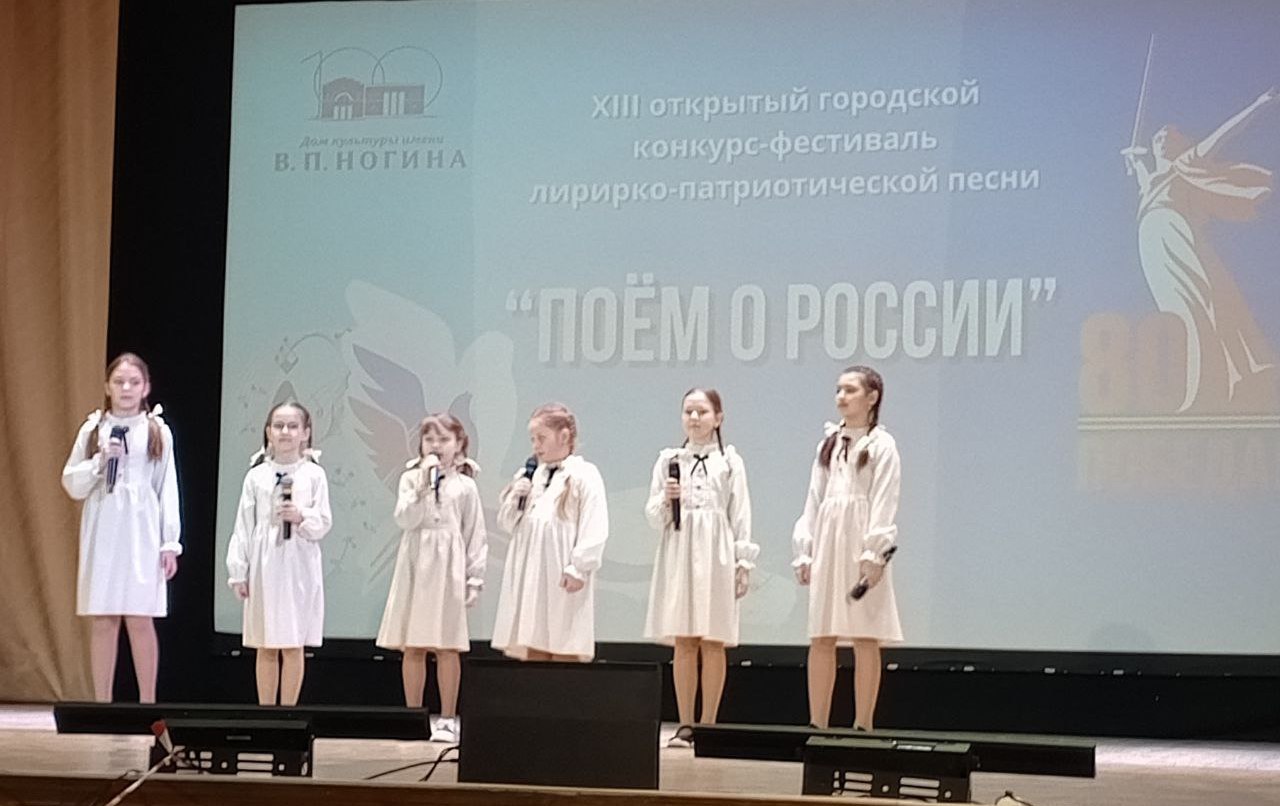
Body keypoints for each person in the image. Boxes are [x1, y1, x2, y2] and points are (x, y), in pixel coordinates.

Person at [1121, 88, 1278, 412]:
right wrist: (1136, 161)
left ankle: (1230, 374)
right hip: (1152, 239)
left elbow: (1224, 133)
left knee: (1205, 297)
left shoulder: (1186, 163)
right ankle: (1199, 382)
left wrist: (1257, 104)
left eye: (1169, 135)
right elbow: (1147, 184)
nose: (1162, 138)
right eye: (1158, 137)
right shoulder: (1152, 179)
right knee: (1177, 307)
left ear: (1181, 143)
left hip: (1176, 229)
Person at [62, 353, 180, 703]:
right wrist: (100, 462)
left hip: (141, 528)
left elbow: (166, 486)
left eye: (134, 382)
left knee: (140, 618)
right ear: (107, 387)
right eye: (119, 382)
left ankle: (147, 703)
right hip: (104, 525)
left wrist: (169, 542)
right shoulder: (93, 430)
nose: (126, 388)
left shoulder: (156, 431)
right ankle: (102, 703)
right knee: (104, 618)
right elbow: (72, 482)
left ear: (146, 388)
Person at [644, 388, 756, 748]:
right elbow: (653, 517)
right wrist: (667, 499)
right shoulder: (669, 460)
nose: (694, 418)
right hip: (680, 548)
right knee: (684, 639)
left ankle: (710, 725)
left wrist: (742, 562)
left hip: (716, 551)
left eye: (702, 412)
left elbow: (740, 514)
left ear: (718, 418)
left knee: (713, 639)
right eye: (688, 411)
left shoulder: (729, 462)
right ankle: (686, 723)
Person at [793, 366, 901, 730]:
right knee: (821, 634)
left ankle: (863, 724)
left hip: (860, 541)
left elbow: (884, 500)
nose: (841, 396)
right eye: (838, 389)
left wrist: (874, 552)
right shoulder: (829, 443)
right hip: (828, 540)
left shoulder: (882, 445)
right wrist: (805, 548)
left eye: (850, 390)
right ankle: (817, 723)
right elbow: (814, 499)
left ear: (872, 397)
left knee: (865, 635)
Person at [377, 413, 487, 743]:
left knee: (447, 645)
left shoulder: (466, 485)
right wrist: (424, 487)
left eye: (444, 439)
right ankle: (413, 717)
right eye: (430, 439)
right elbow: (405, 519)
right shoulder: (411, 479)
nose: (436, 445)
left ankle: (448, 718)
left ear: (459, 444)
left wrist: (474, 578)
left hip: (448, 567)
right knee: (414, 645)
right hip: (416, 562)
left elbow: (475, 533)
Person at [226, 401, 331, 706]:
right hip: (265, 563)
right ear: (268, 432)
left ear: (305, 433)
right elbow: (243, 525)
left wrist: (301, 516)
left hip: (298, 562)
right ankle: (266, 712)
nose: (285, 432)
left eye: (293, 426)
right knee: (266, 642)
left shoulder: (314, 475)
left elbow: (323, 521)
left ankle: (288, 713)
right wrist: (238, 571)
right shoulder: (256, 476)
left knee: (293, 641)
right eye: (279, 426)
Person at [493, 403, 608, 662]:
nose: (536, 445)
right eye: (533, 439)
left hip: (561, 569)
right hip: (531, 570)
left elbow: (594, 524)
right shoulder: (530, 474)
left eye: (541, 438)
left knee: (564, 638)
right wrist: (515, 498)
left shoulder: (583, 474)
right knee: (533, 634)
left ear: (564, 436)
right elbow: (508, 524)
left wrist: (579, 567)